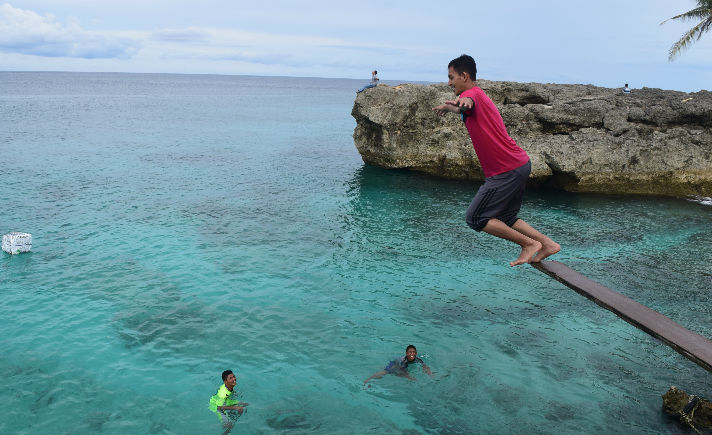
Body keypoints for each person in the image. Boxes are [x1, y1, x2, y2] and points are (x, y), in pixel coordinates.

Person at [432, 54, 560, 266]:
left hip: (505, 170)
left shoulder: (472, 95)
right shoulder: (479, 96)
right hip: (518, 164)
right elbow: (466, 109)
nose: (448, 82)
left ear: (464, 75)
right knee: (507, 216)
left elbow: (467, 103)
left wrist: (461, 102)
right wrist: (451, 108)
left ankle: (529, 244)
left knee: (475, 218)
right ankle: (547, 244)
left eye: (451, 77)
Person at [364, 345, 432, 385]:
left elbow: (424, 365)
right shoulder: (403, 361)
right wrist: (408, 376)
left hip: (401, 366)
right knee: (386, 372)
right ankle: (369, 379)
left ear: (416, 353)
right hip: (395, 364)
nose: (412, 354)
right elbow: (400, 371)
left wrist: (428, 371)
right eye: (410, 352)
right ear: (406, 353)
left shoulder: (417, 359)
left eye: (414, 352)